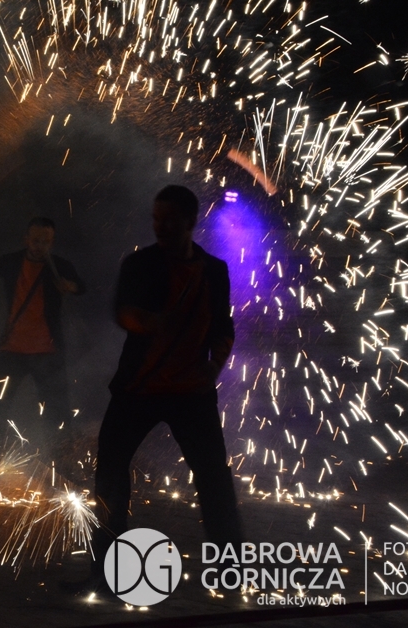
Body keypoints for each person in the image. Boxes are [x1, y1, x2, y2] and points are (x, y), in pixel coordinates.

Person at [91, 185, 242, 580]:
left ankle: (232, 568)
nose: (159, 227)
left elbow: (223, 328)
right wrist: (151, 322)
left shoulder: (214, 271)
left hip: (191, 392)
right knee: (110, 472)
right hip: (138, 388)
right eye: (156, 219)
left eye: (169, 220)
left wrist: (214, 367)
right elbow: (122, 311)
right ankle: (105, 571)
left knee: (214, 477)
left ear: (190, 222)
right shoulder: (139, 264)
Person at [0, 217, 86, 480]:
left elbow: (82, 286)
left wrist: (70, 286)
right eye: (35, 240)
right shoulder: (11, 262)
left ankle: (62, 469)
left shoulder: (59, 267)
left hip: (48, 352)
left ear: (52, 242)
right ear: (26, 239)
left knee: (57, 412)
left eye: (46, 241)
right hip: (13, 351)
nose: (40, 246)